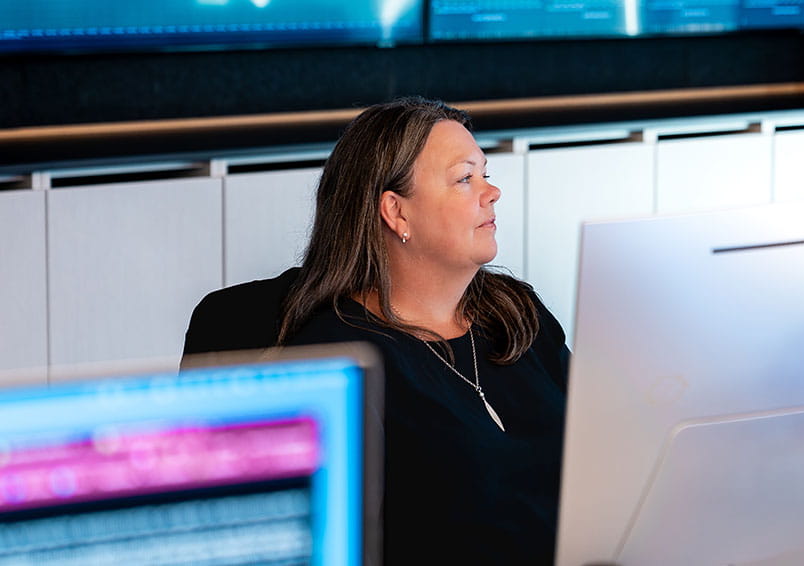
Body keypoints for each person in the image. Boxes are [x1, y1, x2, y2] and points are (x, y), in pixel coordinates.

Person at [183, 96, 569, 566]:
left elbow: (601, 447)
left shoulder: (516, 313)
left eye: (486, 174)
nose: (492, 192)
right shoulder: (342, 359)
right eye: (465, 178)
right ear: (396, 212)